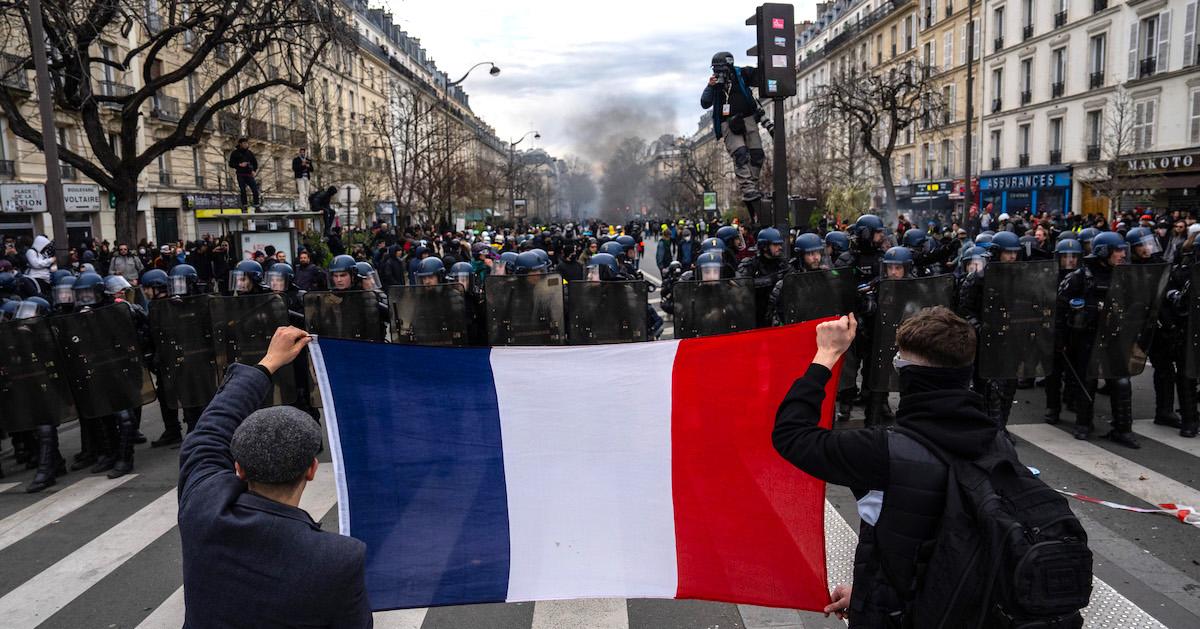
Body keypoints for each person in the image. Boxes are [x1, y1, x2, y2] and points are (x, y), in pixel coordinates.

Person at [774, 308, 1088, 627]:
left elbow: (791, 435)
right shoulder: (995, 440)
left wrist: (826, 354)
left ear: (908, 375)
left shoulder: (882, 450)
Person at [178, 326, 371, 628]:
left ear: (238, 468)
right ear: (311, 470)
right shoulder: (339, 558)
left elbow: (209, 432)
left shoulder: (203, 508)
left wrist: (268, 362)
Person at [701, 52, 767, 222]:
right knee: (740, 154)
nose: (719, 73)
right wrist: (710, 86)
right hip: (727, 123)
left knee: (758, 155)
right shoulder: (715, 84)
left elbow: (762, 76)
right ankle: (748, 189)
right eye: (716, 70)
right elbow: (704, 103)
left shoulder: (742, 73)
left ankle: (751, 185)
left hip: (747, 118)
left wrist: (787, 72)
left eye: (721, 70)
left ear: (729, 66)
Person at [228, 138, 261, 212]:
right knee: (243, 190)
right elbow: (231, 164)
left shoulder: (249, 153)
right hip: (240, 174)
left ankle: (257, 206)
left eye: (247, 143)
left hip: (249, 174)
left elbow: (255, 163)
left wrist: (254, 170)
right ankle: (244, 206)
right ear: (240, 144)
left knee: (255, 190)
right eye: (244, 143)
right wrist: (239, 165)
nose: (246, 145)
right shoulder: (235, 153)